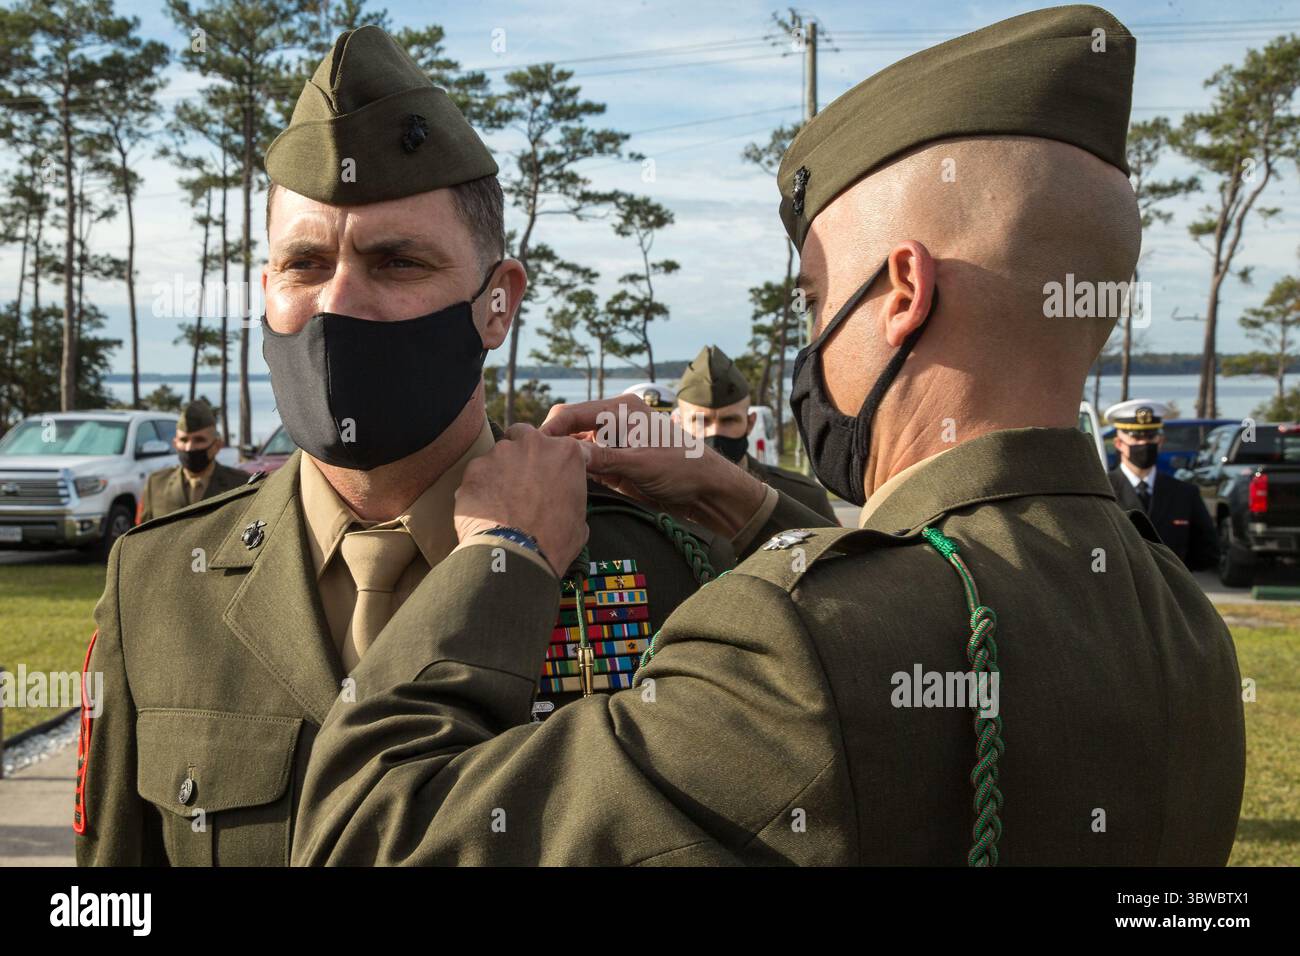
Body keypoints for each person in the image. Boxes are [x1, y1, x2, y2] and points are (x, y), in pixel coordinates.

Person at [291, 6, 1245, 866]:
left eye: (821, 300)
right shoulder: (1179, 622)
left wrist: (505, 553)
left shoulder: (797, 651)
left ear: (903, 295)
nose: (816, 340)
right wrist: (725, 492)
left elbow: (372, 835)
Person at [74, 25, 731, 867]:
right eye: (305, 264)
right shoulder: (160, 583)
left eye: (396, 262)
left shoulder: (656, 560)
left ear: (500, 303)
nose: (337, 305)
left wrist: (724, 492)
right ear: (266, 291)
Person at [675, 344, 837, 521]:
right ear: (677, 425)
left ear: (750, 423)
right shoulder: (653, 500)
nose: (715, 432)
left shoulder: (804, 498)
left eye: (729, 420)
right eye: (700, 421)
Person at [1105, 399, 1218, 570]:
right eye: (1136, 437)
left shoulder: (1184, 493)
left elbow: (1207, 551)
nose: (1144, 443)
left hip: (1171, 592)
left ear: (1160, 441)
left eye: (1150, 436)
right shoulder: (1102, 491)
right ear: (1119, 443)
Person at [135, 401, 247, 523]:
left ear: (217, 446)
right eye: (184, 440)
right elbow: (141, 536)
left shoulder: (241, 485)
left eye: (199, 440)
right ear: (175, 444)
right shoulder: (156, 484)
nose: (189, 448)